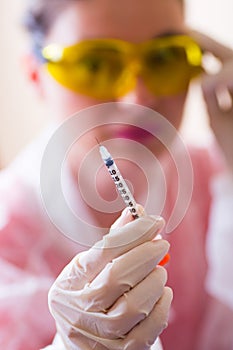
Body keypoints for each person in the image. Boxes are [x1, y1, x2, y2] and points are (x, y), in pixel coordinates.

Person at [1, 0, 233, 349]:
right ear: (35, 75)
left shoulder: (218, 177)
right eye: (96, 64)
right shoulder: (8, 244)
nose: (137, 99)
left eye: (164, 58)